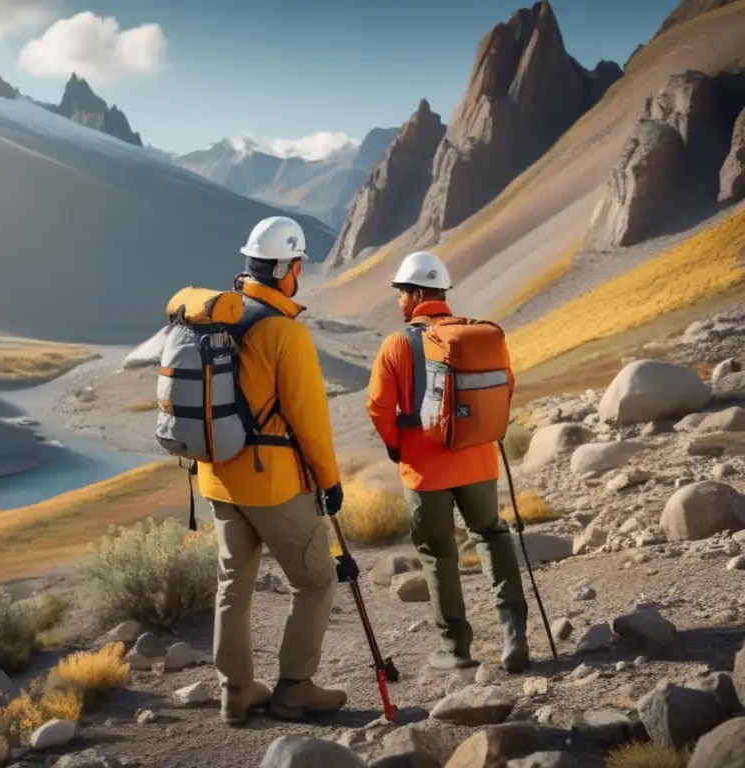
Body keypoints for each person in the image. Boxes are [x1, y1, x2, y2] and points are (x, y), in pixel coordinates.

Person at [197, 215, 348, 725]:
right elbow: (309, 421)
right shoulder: (284, 333)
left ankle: (235, 693)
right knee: (315, 581)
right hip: (272, 483)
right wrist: (330, 481)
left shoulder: (215, 319)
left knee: (232, 587)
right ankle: (295, 688)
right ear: (291, 268)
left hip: (216, 475)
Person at [365, 250, 530, 674]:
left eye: (402, 293)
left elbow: (379, 407)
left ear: (417, 293)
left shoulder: (397, 343)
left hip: (425, 470)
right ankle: (515, 635)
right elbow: (505, 387)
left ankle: (456, 648)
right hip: (478, 462)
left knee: (438, 555)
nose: (399, 301)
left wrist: (396, 448)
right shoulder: (477, 336)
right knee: (491, 535)